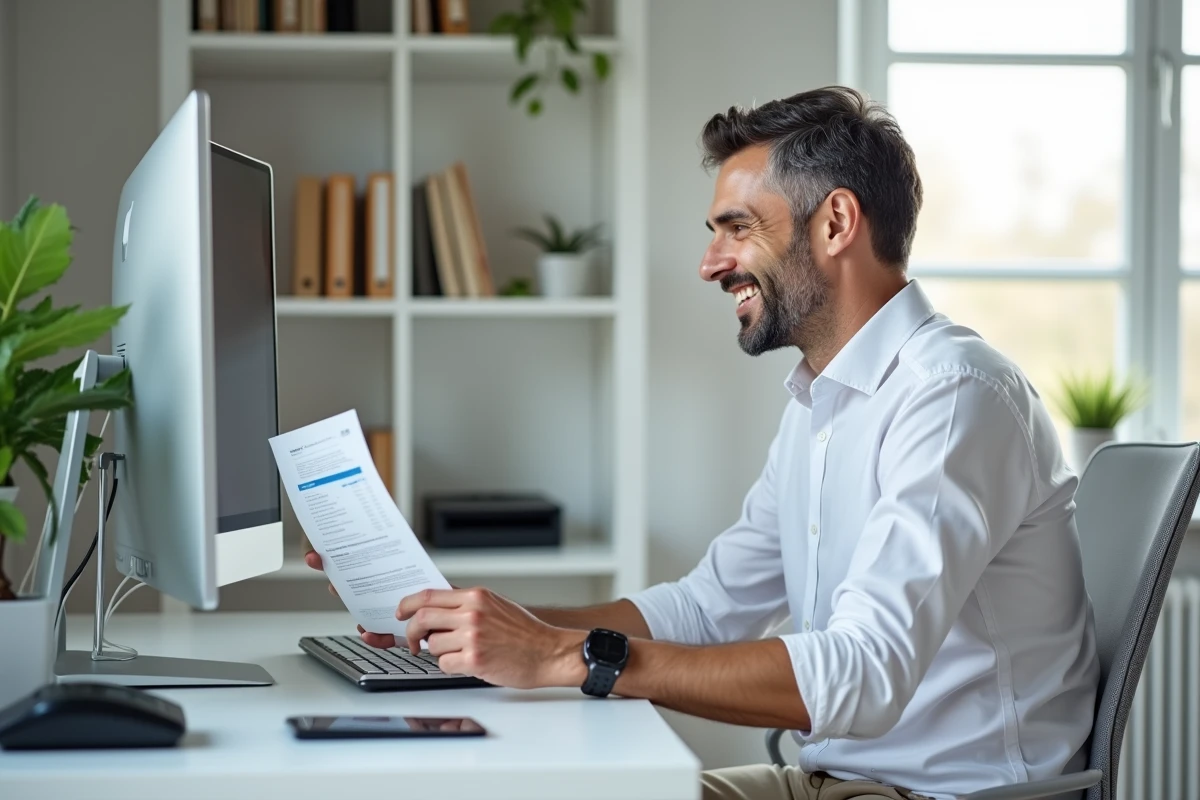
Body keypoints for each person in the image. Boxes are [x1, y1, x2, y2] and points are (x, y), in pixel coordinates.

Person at [305, 86, 1100, 800]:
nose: (710, 263)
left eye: (738, 229)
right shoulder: (821, 405)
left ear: (836, 222)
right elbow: (705, 609)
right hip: (832, 782)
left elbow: (864, 674)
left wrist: (564, 659)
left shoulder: (954, 396)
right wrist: (477, 628)